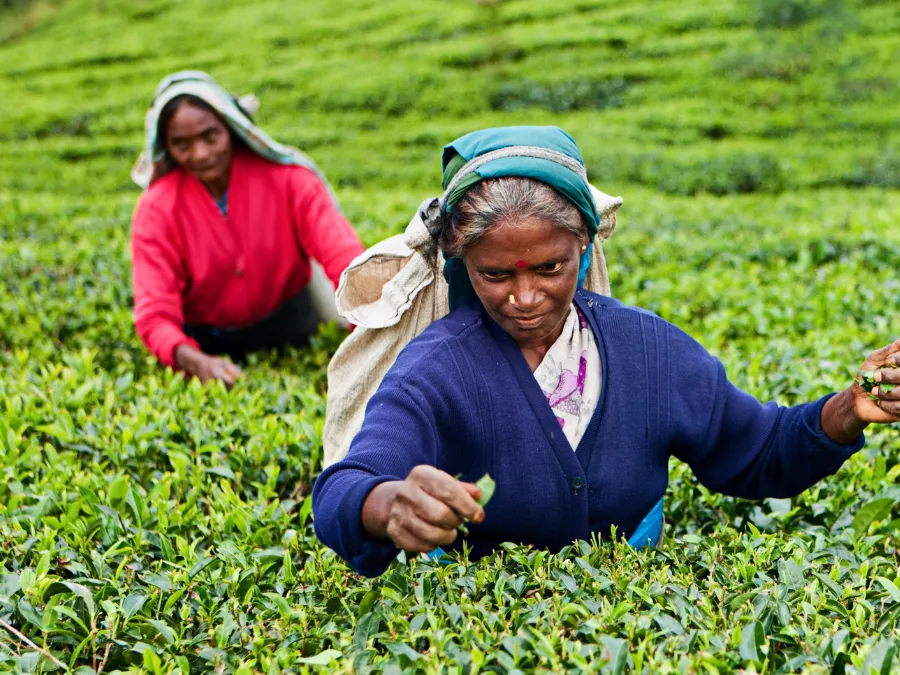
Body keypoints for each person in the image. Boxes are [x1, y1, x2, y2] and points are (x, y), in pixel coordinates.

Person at [312, 126, 900, 578]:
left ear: (584, 248)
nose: (524, 297)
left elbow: (756, 448)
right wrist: (387, 504)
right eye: (494, 274)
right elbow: (347, 483)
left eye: (549, 267)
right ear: (462, 266)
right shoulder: (436, 368)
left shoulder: (648, 348)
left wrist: (847, 409)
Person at [130, 71, 365, 386]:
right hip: (208, 341)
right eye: (181, 144)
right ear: (165, 146)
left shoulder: (289, 180)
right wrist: (193, 359)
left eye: (209, 136)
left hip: (292, 328)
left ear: (231, 127)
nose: (199, 153)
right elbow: (154, 312)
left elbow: (344, 259)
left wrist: (367, 328)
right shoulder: (157, 209)